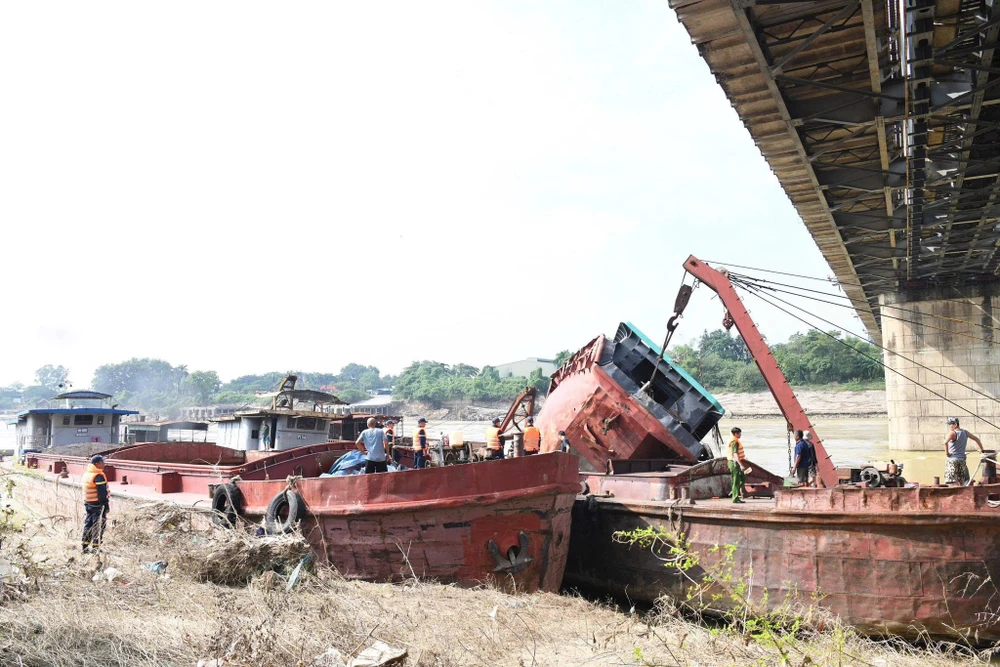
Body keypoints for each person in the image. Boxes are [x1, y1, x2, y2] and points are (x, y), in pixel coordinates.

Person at [944, 417, 984, 485]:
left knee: (952, 481)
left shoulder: (952, 433)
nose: (949, 426)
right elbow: (977, 439)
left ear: (955, 424)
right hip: (962, 460)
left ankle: (956, 494)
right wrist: (981, 449)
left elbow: (945, 442)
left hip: (952, 461)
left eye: (950, 424)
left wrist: (947, 453)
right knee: (965, 481)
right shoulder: (965, 432)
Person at [82, 454, 110, 553]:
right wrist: (106, 505)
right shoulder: (98, 476)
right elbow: (102, 494)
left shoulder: (88, 473)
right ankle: (95, 548)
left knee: (88, 524)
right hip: (97, 504)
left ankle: (84, 547)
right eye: (102, 462)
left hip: (88, 503)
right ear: (97, 464)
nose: (104, 464)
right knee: (98, 525)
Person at [729, 427, 749, 503]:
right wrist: (741, 465)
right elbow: (735, 454)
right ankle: (735, 498)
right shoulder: (734, 442)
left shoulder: (735, 440)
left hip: (736, 462)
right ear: (736, 434)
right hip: (734, 463)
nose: (740, 435)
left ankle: (734, 492)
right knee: (736, 481)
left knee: (743, 478)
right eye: (739, 433)